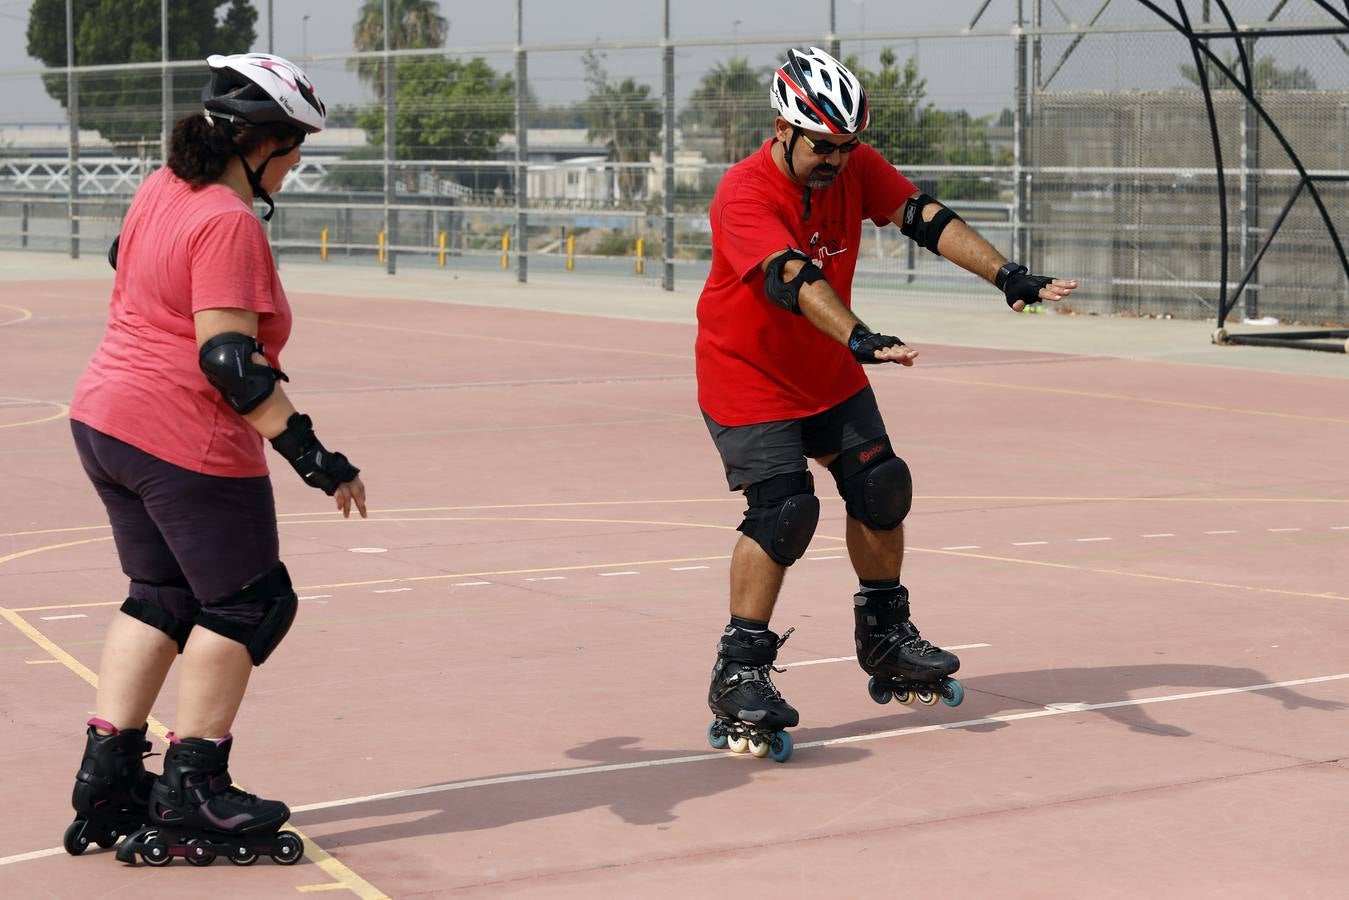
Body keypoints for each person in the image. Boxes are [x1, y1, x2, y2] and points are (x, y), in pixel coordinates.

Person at [697, 47, 1078, 762]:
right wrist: (858, 335)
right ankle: (739, 668)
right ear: (782, 129)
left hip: (827, 372)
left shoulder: (854, 165)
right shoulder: (742, 193)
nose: (838, 160)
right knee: (783, 508)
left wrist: (1008, 275)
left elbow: (924, 216)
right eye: (823, 146)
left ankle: (884, 634)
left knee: (881, 485)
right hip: (747, 377)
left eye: (848, 145)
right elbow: (792, 276)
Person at [63, 53, 366, 867]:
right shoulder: (230, 221)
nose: (295, 163)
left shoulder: (164, 186)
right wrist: (317, 458)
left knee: (160, 596)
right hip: (182, 439)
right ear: (258, 143)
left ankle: (107, 774)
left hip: (105, 419)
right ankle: (193, 787)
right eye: (293, 147)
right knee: (248, 605)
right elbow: (230, 361)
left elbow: (124, 257)